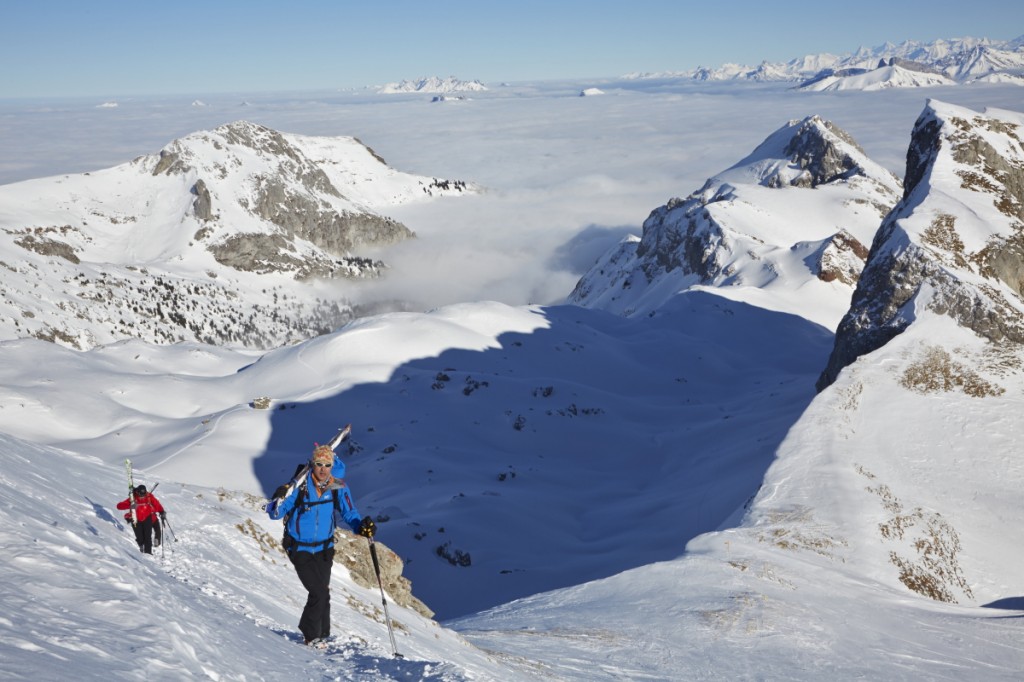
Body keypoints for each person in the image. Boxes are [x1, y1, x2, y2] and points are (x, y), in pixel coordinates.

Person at [268, 443, 376, 647]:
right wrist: (279, 496)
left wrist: (361, 527)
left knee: (323, 591)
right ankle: (311, 635)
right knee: (317, 592)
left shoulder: (338, 487)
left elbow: (349, 513)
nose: (323, 469)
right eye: (319, 464)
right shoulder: (299, 486)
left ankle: (323, 633)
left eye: (327, 464)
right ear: (312, 464)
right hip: (299, 548)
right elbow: (276, 513)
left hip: (324, 549)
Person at [116, 485, 167, 554]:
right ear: (137, 492)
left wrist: (161, 511)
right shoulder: (133, 498)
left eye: (144, 495)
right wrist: (130, 505)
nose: (142, 497)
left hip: (147, 518)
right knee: (140, 537)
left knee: (148, 537)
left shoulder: (149, 496)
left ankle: (148, 553)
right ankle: (141, 546)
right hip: (135, 519)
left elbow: (156, 504)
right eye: (141, 495)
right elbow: (119, 506)